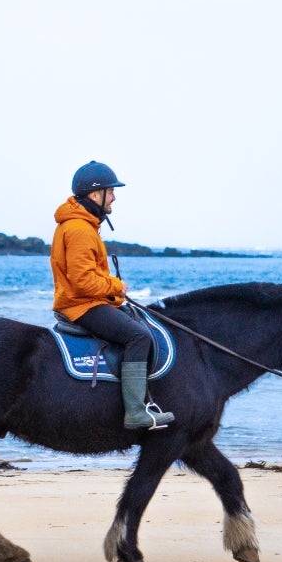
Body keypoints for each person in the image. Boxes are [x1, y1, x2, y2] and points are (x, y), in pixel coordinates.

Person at [51, 160, 175, 429]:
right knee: (138, 335)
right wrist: (116, 287)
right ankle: (135, 413)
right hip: (82, 306)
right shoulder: (79, 230)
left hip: (87, 301)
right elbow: (83, 282)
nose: (114, 197)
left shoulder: (83, 225)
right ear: (96, 195)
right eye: (111, 191)